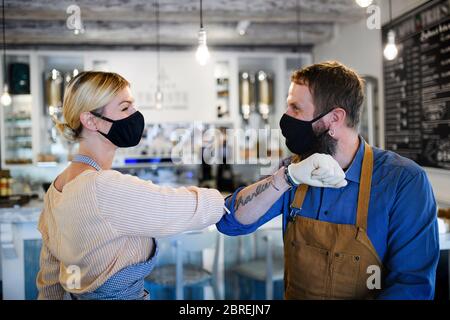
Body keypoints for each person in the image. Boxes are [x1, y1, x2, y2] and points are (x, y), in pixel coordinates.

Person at [217, 61, 440, 300]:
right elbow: (230, 222)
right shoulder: (294, 169)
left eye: (295, 108)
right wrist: (286, 179)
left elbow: (412, 289)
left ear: (334, 118)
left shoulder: (403, 181)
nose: (285, 118)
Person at [36, 71, 228, 300]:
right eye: (125, 108)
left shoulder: (55, 189)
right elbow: (176, 208)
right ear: (90, 120)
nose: (136, 115)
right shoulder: (102, 186)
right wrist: (228, 202)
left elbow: (50, 280)